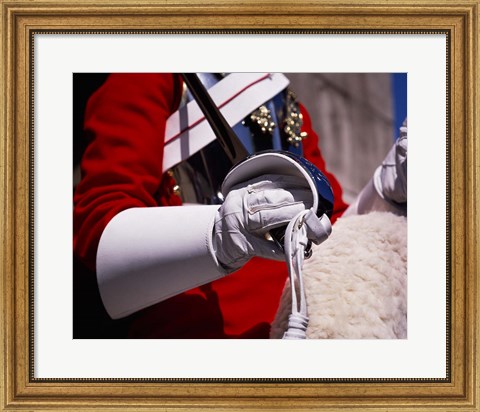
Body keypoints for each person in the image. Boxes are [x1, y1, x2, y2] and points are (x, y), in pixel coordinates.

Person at [73, 73, 405, 339]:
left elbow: (327, 227)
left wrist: (386, 193)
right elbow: (98, 227)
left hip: (308, 326)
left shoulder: (278, 93)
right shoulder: (146, 75)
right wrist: (218, 236)